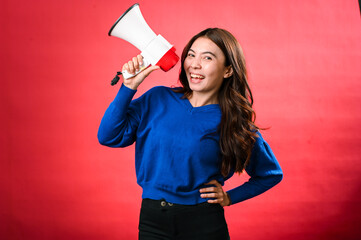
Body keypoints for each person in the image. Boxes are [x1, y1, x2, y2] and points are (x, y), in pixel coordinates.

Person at [98, 28, 283, 240]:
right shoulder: (157, 98)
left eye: (207, 57)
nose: (195, 64)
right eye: (191, 55)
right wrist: (128, 87)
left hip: (204, 224)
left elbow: (270, 174)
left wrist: (229, 198)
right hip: (152, 221)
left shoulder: (234, 121)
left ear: (228, 70)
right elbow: (108, 136)